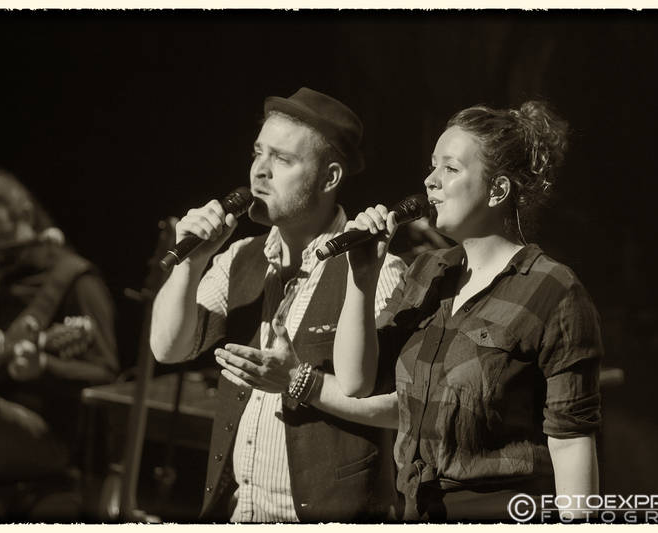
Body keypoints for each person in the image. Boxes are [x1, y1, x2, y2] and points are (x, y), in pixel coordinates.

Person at [333, 101, 603, 521]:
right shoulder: (427, 273)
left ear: (498, 190)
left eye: (451, 168)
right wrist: (361, 280)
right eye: (432, 166)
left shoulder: (552, 289)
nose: (430, 181)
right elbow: (355, 381)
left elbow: (571, 441)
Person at [150, 87, 407, 522]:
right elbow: (167, 348)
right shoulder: (239, 257)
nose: (260, 171)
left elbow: (399, 406)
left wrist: (299, 380)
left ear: (329, 178)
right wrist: (190, 264)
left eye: (283, 160)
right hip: (238, 512)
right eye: (258, 153)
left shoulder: (377, 268)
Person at [0, 166, 119, 520]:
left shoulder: (76, 280)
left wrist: (45, 367)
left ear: (27, 215)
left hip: (47, 437)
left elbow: (106, 375)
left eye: (3, 239)